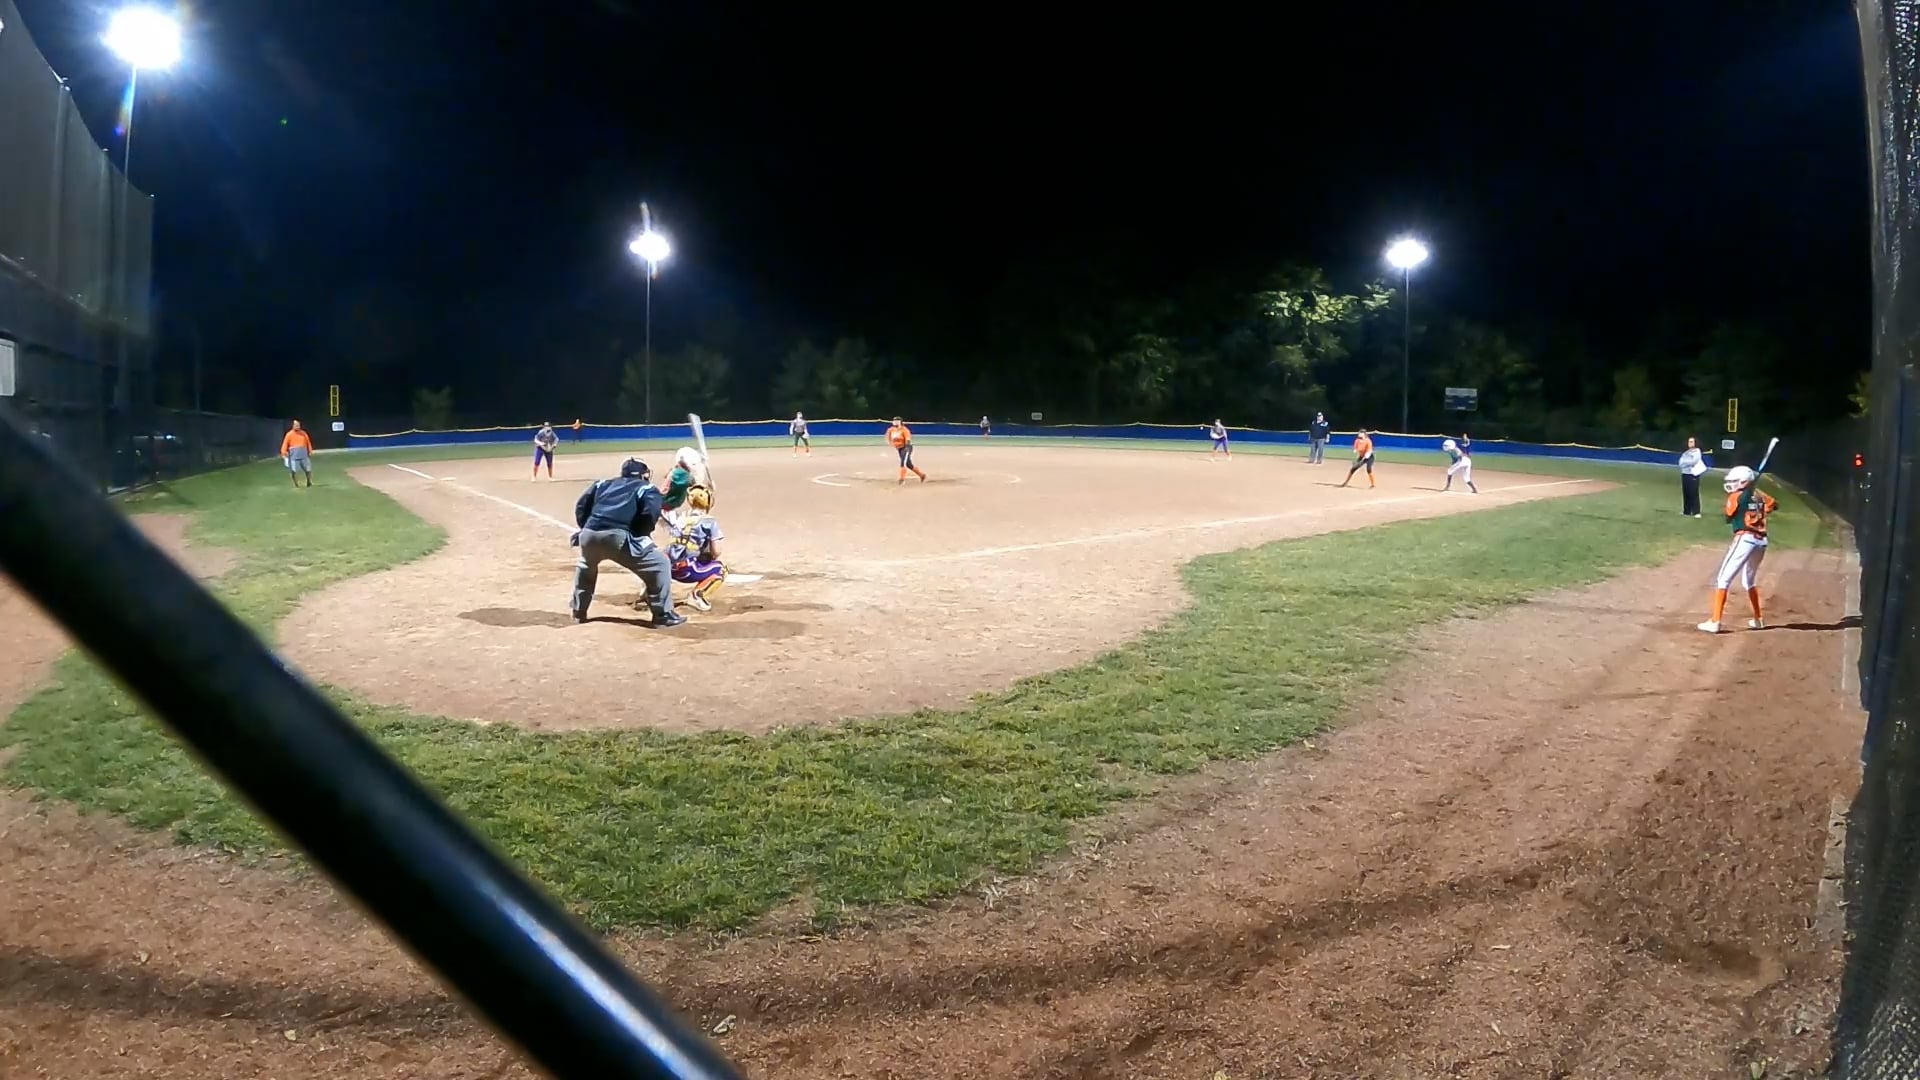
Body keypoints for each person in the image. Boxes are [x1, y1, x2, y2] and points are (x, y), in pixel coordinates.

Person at [569, 457, 682, 627]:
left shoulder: (602, 484)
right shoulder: (646, 488)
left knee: (586, 566)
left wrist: (586, 527)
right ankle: (663, 615)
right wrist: (639, 534)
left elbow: (581, 506)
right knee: (660, 564)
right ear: (643, 475)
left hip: (588, 534)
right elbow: (650, 514)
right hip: (617, 537)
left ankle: (578, 611)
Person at [1698, 464, 1776, 634]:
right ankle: (1758, 619)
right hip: (1761, 542)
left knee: (1722, 579)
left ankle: (1715, 622)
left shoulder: (1735, 497)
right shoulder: (1758, 494)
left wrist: (1745, 500)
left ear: (1744, 482)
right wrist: (1755, 503)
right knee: (1749, 581)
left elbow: (1729, 516)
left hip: (1745, 539)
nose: (1731, 484)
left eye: (1735, 481)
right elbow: (1773, 504)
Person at [666, 486, 728, 613]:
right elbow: (716, 552)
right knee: (721, 569)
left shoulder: (680, 518)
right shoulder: (709, 522)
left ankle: (651, 591)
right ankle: (697, 595)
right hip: (688, 570)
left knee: (661, 558)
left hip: (667, 568)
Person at [886, 417, 927, 484]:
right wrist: (893, 444)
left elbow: (908, 439)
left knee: (903, 463)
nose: (895, 422)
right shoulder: (890, 430)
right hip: (899, 448)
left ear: (900, 422)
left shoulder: (904, 430)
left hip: (906, 447)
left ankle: (901, 479)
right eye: (894, 421)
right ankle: (922, 475)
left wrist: (907, 447)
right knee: (908, 464)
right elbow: (889, 438)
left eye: (897, 421)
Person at [1677, 436, 1708, 517]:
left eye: (1691, 442)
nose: (1690, 443)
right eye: (1689, 442)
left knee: (1694, 493)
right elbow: (1680, 463)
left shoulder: (1697, 451)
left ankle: (1696, 512)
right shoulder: (1685, 452)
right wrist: (1687, 462)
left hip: (1693, 474)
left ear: (1695, 443)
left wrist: (1685, 462)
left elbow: (1694, 461)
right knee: (1686, 492)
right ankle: (1686, 511)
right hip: (1685, 474)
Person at [279, 419, 314, 489]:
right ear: (293, 426)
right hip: (294, 456)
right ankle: (296, 484)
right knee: (293, 471)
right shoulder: (289, 434)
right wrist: (284, 452)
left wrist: (310, 451)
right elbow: (285, 444)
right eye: (296, 425)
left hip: (304, 455)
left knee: (308, 469)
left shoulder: (303, 433)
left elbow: (308, 442)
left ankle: (309, 482)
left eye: (298, 425)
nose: (297, 426)